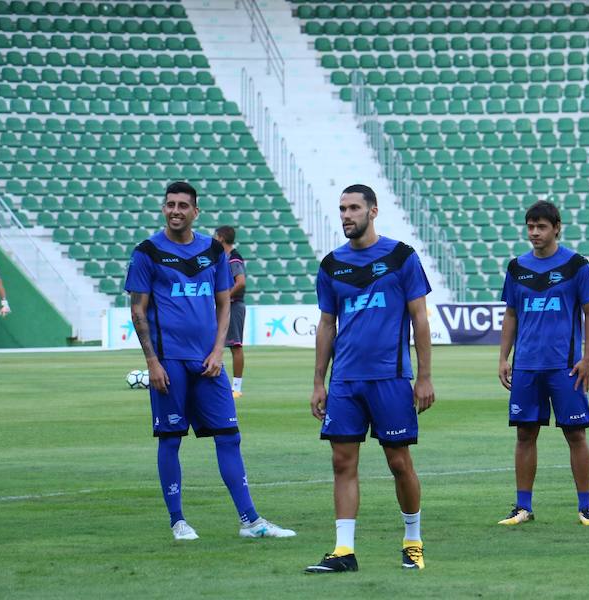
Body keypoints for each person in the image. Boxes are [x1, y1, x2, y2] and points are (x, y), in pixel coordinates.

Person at [125, 181, 295, 541]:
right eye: (170, 204)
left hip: (208, 363)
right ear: (163, 208)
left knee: (230, 436)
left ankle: (251, 521)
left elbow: (224, 304)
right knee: (171, 439)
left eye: (183, 205)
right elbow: (137, 310)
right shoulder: (147, 252)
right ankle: (178, 521)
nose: (175, 210)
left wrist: (218, 351)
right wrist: (152, 362)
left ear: (195, 211)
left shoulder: (214, 251)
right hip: (169, 362)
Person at [305, 184, 434, 573]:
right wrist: (318, 381)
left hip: (390, 378)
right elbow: (327, 325)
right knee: (342, 462)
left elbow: (420, 319)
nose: (346, 215)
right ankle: (344, 551)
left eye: (354, 208)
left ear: (373, 211)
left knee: (398, 462)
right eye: (342, 208)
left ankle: (412, 540)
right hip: (345, 381)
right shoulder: (331, 265)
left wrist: (424, 376)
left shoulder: (400, 257)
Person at [497, 200, 589, 528]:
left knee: (576, 434)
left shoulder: (575, 265)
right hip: (527, 366)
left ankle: (585, 507)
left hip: (565, 367)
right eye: (530, 226)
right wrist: (503, 358)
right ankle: (522, 507)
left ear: (556, 228)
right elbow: (511, 314)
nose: (534, 232)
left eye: (541, 226)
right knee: (525, 435)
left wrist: (587, 359)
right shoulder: (517, 268)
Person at [215, 225, 247, 400]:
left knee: (235, 345)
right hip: (226, 305)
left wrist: (225, 297)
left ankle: (236, 387)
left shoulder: (234, 258)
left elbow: (240, 282)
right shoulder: (225, 258)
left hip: (234, 306)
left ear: (220, 238)